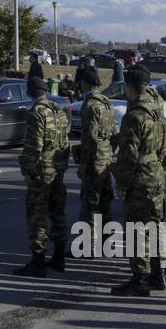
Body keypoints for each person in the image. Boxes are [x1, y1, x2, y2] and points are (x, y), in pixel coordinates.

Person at [110, 66, 166, 296]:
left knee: (136, 228)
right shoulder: (156, 111)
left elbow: (128, 155)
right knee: (155, 225)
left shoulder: (135, 116)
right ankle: (158, 273)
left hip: (140, 175)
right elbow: (164, 146)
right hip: (155, 172)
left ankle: (140, 278)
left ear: (130, 87)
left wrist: (121, 185)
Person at [13, 75, 71, 277]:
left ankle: (38, 262)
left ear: (30, 93)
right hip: (57, 169)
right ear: (45, 91)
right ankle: (59, 257)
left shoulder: (36, 112)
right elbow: (66, 144)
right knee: (57, 213)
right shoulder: (58, 111)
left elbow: (32, 146)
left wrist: (28, 171)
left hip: (41, 171)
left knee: (37, 215)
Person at [75, 66, 115, 229]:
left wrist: (83, 163)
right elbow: (113, 132)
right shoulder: (106, 103)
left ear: (84, 84)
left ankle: (88, 246)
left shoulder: (90, 105)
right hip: (106, 158)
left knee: (90, 204)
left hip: (93, 161)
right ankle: (106, 241)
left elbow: (89, 138)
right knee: (105, 202)